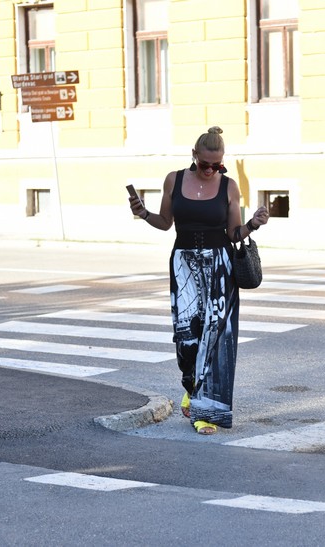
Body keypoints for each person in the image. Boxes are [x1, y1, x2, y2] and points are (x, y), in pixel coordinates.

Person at [128, 126, 269, 435]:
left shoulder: (229, 186)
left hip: (220, 267)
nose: (210, 170)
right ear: (194, 156)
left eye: (217, 165)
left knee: (215, 339)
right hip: (183, 266)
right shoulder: (174, 180)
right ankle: (191, 387)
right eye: (205, 164)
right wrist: (144, 213)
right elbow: (165, 222)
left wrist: (253, 224)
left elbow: (234, 233)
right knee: (188, 338)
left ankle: (205, 412)